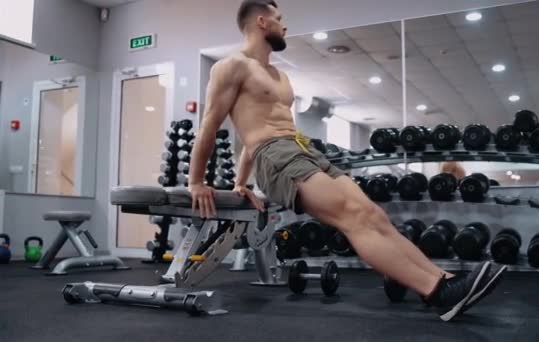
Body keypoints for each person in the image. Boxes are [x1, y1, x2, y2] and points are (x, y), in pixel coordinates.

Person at [189, 0, 506, 322]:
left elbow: (251, 129)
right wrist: (196, 181)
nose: (284, 25)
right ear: (261, 22)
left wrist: (241, 182)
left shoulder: (279, 76)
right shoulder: (232, 66)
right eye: (279, 19)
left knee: (375, 215)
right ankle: (437, 292)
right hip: (276, 155)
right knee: (352, 217)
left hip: (303, 150)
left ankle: (446, 279)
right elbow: (212, 125)